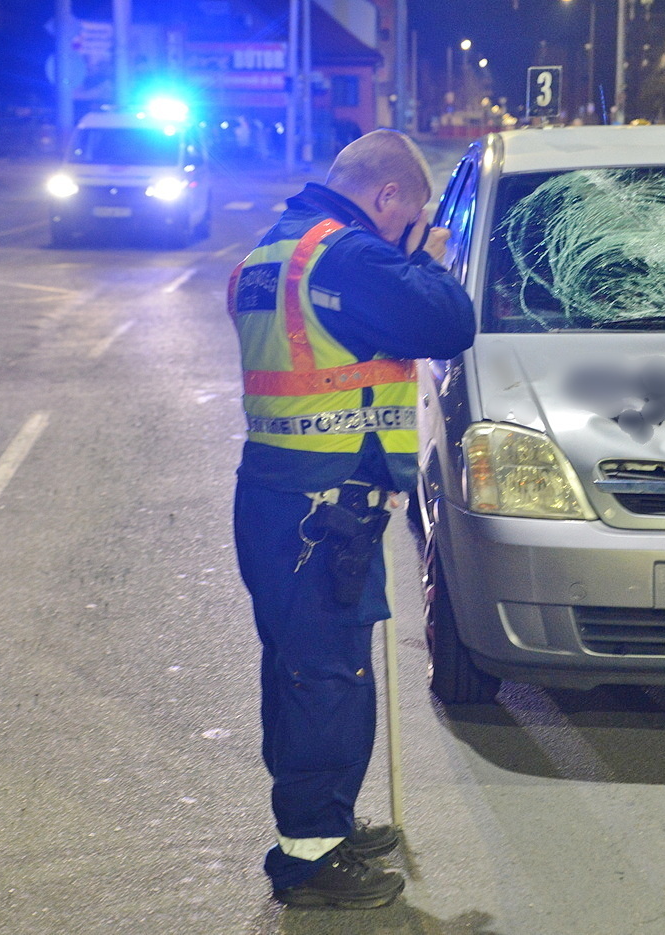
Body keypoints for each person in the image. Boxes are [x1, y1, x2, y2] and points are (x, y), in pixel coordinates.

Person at [227, 129, 475, 909]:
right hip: (319, 509)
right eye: (409, 216)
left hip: (285, 499)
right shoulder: (349, 255)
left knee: (307, 672)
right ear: (389, 197)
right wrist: (421, 253)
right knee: (324, 679)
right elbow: (447, 321)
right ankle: (308, 859)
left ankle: (324, 824)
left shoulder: (275, 247)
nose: (406, 229)